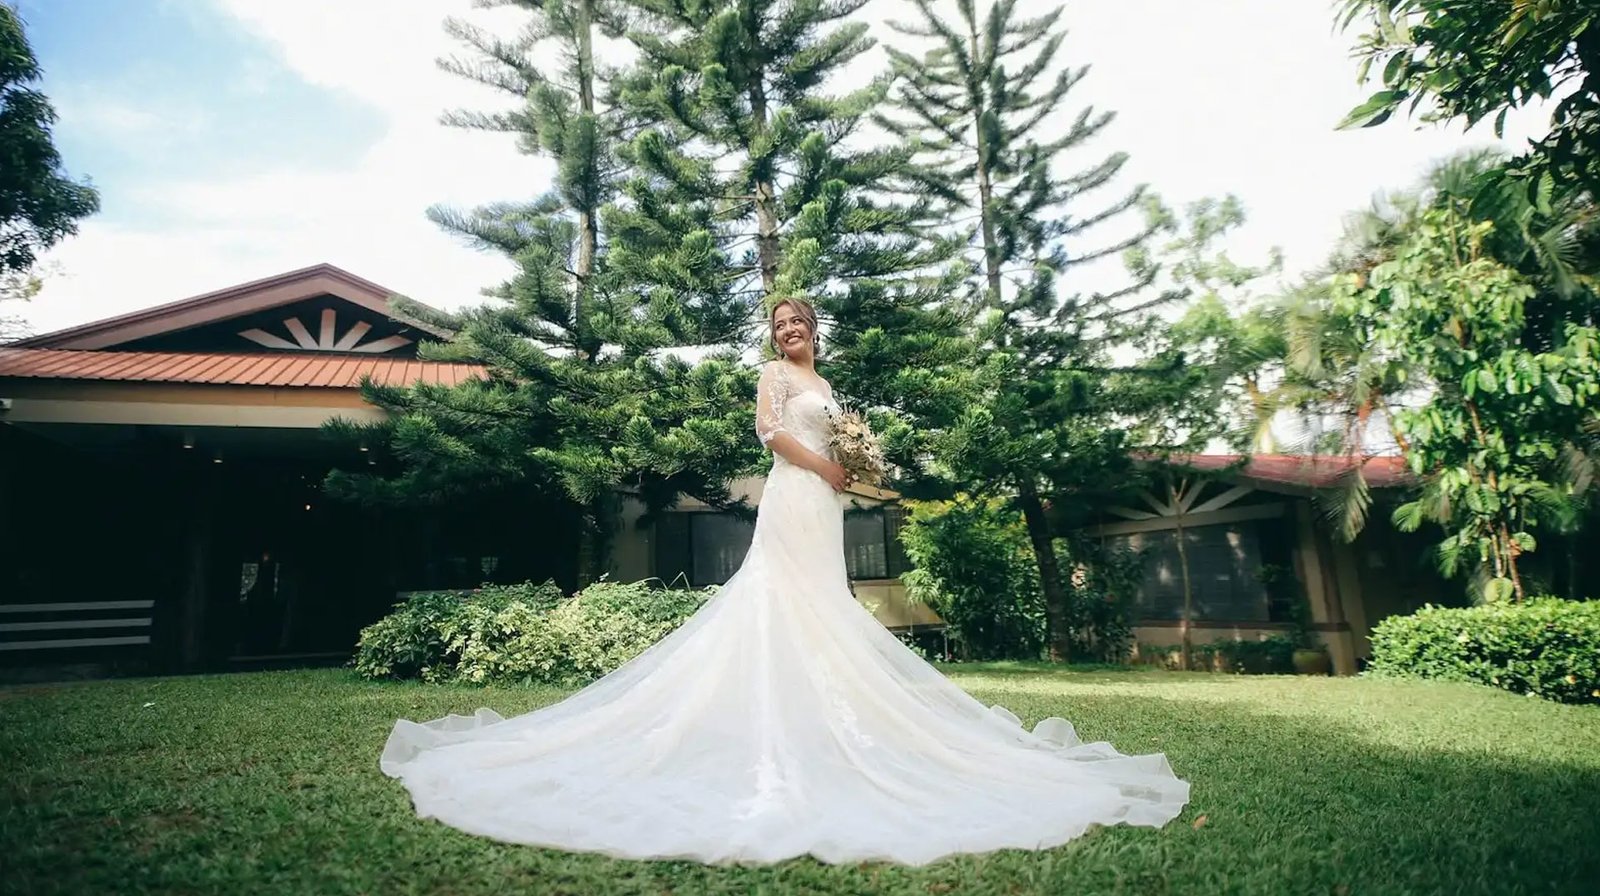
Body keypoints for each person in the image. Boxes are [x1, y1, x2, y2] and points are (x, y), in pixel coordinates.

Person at [379, 298, 1190, 865]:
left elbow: (832, 438)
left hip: (827, 503)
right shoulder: (773, 375)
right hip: (797, 498)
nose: (790, 332)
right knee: (781, 603)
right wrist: (829, 466)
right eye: (780, 324)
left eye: (798, 323)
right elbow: (770, 435)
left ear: (815, 331)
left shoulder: (829, 386)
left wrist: (855, 467)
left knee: (821, 608)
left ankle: (825, 720)